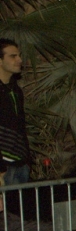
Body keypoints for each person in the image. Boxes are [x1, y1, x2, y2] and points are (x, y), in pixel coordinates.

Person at [0, 39, 30, 185]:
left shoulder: (16, 90)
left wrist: (27, 159)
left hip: (20, 164)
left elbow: (21, 126)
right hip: (4, 167)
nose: (19, 60)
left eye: (19, 55)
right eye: (13, 56)